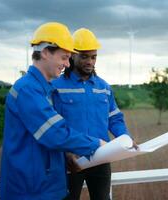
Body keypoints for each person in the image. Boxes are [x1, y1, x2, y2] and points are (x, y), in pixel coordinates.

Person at [0, 22, 106, 200]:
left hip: (45, 186)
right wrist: (98, 145)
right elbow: (54, 134)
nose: (67, 63)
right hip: (31, 191)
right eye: (64, 57)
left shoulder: (43, 89)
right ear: (46, 52)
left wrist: (66, 157)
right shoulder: (28, 90)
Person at [52, 28, 138, 200]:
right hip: (70, 160)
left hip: (101, 157)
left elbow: (115, 118)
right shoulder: (56, 86)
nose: (90, 61)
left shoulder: (104, 87)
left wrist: (125, 138)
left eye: (93, 57)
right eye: (84, 56)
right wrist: (64, 153)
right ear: (72, 55)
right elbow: (52, 127)